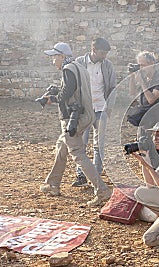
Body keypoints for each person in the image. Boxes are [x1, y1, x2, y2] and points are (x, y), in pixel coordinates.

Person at [40, 42, 111, 207]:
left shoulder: (68, 69)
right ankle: (53, 184)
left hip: (73, 119)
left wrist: (53, 98)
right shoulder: (79, 67)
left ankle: (102, 190)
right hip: (84, 115)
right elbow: (73, 89)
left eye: (54, 57)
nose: (53, 61)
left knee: (78, 154)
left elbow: (68, 92)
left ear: (62, 56)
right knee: (61, 148)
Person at [72, 37, 117, 187]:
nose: (104, 56)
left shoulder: (108, 65)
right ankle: (81, 175)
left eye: (106, 53)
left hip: (101, 108)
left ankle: (96, 175)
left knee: (99, 145)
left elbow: (112, 88)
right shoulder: (79, 63)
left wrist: (109, 108)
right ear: (94, 50)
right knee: (81, 144)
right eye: (102, 52)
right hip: (84, 110)